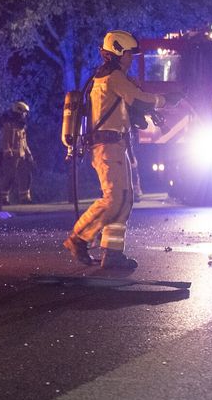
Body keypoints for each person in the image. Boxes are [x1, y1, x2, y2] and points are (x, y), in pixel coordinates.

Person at [63, 30, 178, 269]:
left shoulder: (114, 76)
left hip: (117, 144)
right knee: (114, 198)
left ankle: (112, 254)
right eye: (128, 53)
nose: (131, 58)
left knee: (125, 200)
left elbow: (130, 105)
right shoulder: (112, 77)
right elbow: (138, 99)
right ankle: (78, 237)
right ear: (117, 52)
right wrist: (165, 99)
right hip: (107, 146)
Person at [0, 102, 34, 206]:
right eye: (24, 113)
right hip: (11, 157)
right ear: (18, 112)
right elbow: (6, 140)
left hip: (21, 156)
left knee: (26, 176)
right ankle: (3, 198)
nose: (25, 115)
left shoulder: (22, 127)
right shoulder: (9, 125)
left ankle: (25, 198)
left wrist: (29, 155)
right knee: (9, 177)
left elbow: (24, 143)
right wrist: (8, 151)